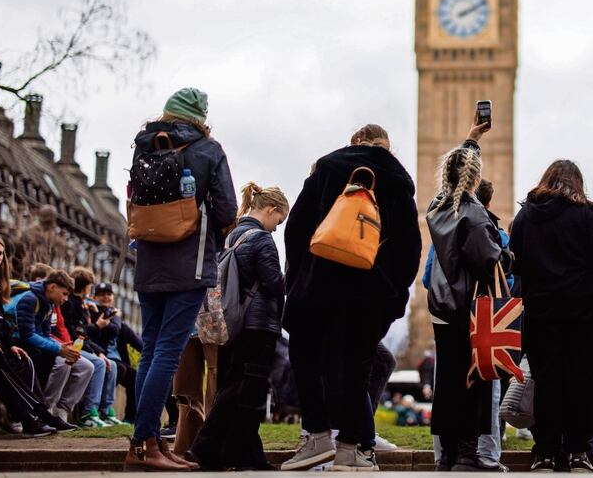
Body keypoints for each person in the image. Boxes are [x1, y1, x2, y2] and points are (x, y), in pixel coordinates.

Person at [282, 124, 421, 472]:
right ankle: (351, 450)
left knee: (308, 358)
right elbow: (409, 252)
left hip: (318, 290)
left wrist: (299, 279)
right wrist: (392, 294)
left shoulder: (327, 169)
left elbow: (296, 229)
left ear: (354, 141)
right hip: (370, 296)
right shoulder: (399, 185)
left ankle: (315, 436)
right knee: (358, 369)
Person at [125, 88, 238, 472]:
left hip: (148, 259)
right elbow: (227, 207)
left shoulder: (147, 145)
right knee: (168, 352)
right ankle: (142, 443)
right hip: (189, 261)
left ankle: (151, 441)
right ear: (199, 116)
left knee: (152, 349)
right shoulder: (208, 149)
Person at [510, 159, 593, 473]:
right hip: (582, 311)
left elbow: (515, 262)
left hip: (540, 310)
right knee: (581, 381)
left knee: (545, 380)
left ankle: (545, 450)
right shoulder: (585, 212)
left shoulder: (526, 214)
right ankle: (578, 451)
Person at [425, 120, 507, 472]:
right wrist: (508, 256)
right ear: (475, 178)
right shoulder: (474, 214)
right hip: (468, 308)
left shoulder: (438, 205)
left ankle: (446, 454)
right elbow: (489, 260)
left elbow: (459, 167)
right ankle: (465, 453)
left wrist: (472, 139)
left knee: (446, 382)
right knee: (474, 382)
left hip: (441, 305)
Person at [190, 182, 289, 470]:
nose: (276, 228)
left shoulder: (233, 236)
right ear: (271, 210)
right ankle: (203, 449)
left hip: (233, 322)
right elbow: (274, 284)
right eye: (278, 220)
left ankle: (246, 454)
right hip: (259, 325)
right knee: (244, 391)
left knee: (241, 391)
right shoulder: (262, 240)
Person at [0, 235, 70, 436]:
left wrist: (9, 343)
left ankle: (39, 415)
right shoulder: (31, 298)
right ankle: (31, 417)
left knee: (23, 359)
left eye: (0, 253)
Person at [5, 270, 94, 423]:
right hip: (8, 341)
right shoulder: (30, 299)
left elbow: (44, 335)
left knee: (48, 355)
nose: (66, 299)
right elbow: (27, 335)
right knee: (39, 357)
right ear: (52, 287)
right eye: (64, 294)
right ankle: (19, 416)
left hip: (22, 341)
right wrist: (60, 349)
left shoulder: (48, 303)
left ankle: (41, 412)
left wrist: (61, 347)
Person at [63, 267, 119, 427]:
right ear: (86, 287)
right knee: (100, 364)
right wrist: (96, 328)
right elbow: (77, 333)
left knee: (112, 365)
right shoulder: (71, 304)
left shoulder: (82, 305)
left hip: (81, 345)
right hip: (72, 346)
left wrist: (99, 351)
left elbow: (83, 334)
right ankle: (89, 412)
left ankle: (106, 411)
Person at [90, 282, 144, 423]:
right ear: (94, 297)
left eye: (108, 294)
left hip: (118, 359)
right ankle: (103, 411)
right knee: (118, 368)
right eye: (101, 295)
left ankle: (131, 418)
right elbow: (112, 330)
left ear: (113, 297)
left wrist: (151, 353)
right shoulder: (94, 314)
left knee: (135, 376)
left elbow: (135, 340)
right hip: (101, 356)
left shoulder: (117, 319)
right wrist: (116, 318)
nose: (105, 298)